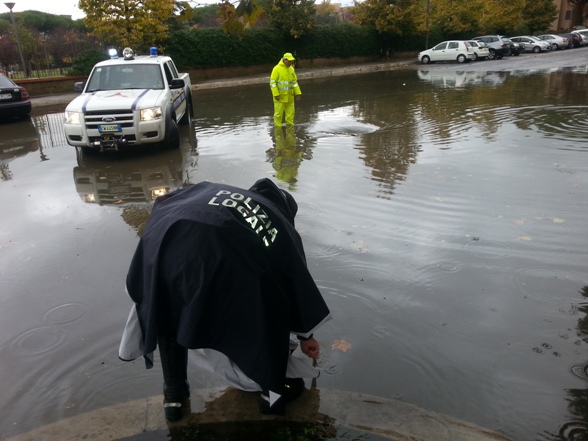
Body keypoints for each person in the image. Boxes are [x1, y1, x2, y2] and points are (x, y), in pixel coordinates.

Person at [118, 178, 331, 421]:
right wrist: (306, 337)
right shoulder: (279, 222)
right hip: (221, 259)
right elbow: (295, 287)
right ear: (287, 212)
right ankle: (271, 396)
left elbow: (165, 202)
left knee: (167, 309)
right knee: (270, 312)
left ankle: (174, 398)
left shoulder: (215, 190)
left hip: (165, 243)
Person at [270, 53, 301, 126]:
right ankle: (278, 132)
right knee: (278, 115)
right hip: (279, 97)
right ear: (284, 60)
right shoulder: (276, 69)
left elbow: (294, 82)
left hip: (290, 97)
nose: (291, 63)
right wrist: (276, 94)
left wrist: (297, 93)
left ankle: (290, 133)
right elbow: (272, 83)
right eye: (289, 61)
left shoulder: (291, 69)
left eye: (291, 61)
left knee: (290, 115)